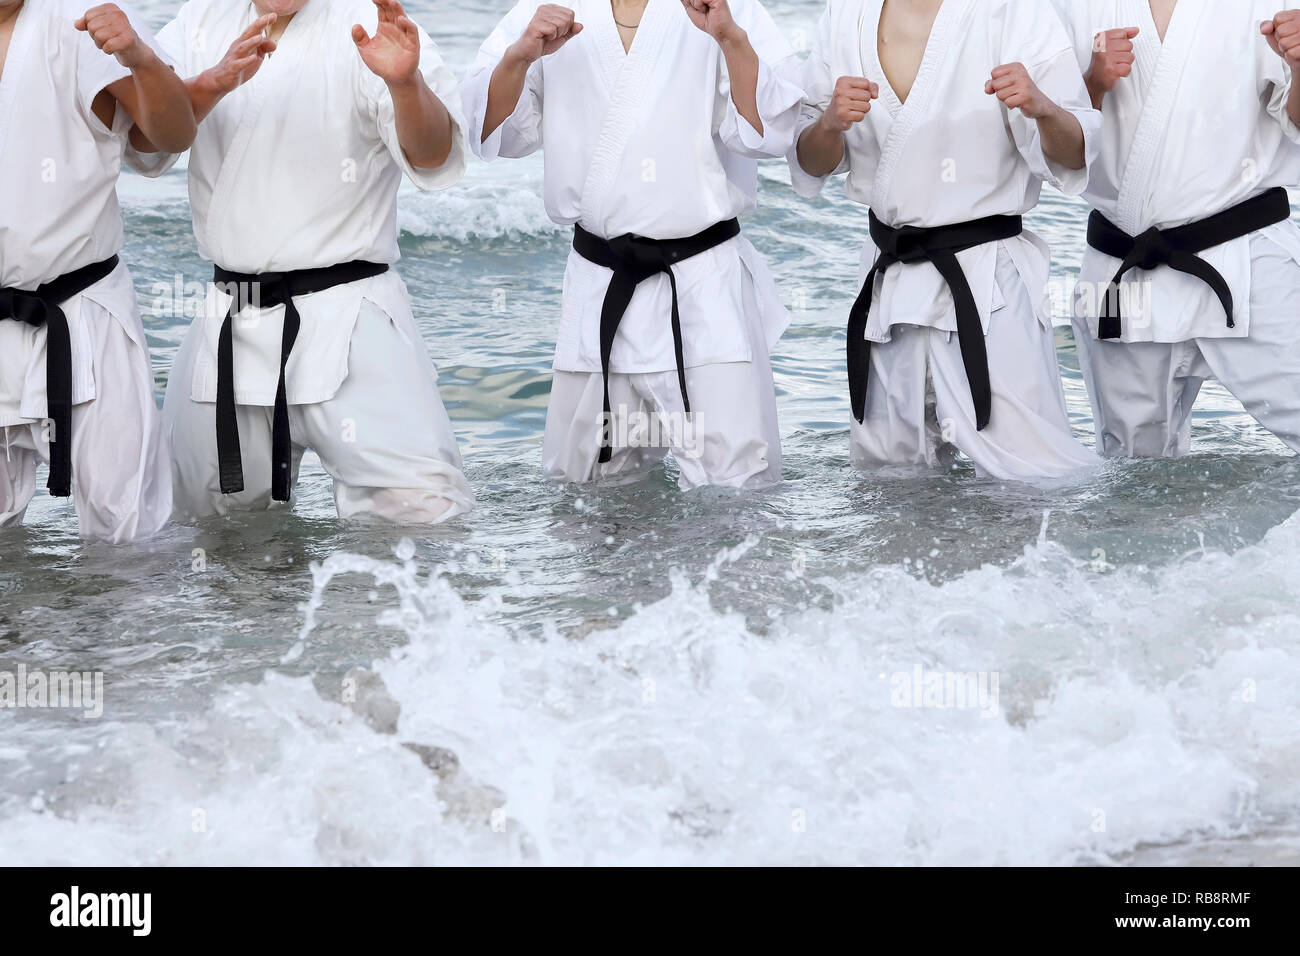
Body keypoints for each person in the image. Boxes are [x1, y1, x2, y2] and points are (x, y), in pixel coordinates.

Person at [132, 0, 474, 522]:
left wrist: (406, 85)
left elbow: (433, 157)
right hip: (230, 319)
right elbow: (147, 144)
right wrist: (211, 86)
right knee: (206, 529)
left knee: (424, 518)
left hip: (352, 318)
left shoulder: (366, 22)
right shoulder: (199, 20)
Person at [461, 1, 802, 489]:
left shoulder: (728, 8)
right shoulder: (549, 9)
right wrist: (520, 58)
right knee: (589, 499)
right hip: (598, 285)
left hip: (704, 288)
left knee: (738, 494)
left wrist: (730, 39)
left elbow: (771, 133)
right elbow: (486, 132)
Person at [790, 0, 1102, 481]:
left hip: (988, 282)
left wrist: (1042, 107)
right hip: (888, 288)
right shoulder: (844, 15)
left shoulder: (1013, 13)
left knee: (1032, 475)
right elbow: (813, 163)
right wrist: (830, 122)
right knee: (892, 482)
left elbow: (1076, 154)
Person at [1052, 0, 1300, 459]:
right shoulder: (1068, 6)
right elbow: (1047, 146)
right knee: (1134, 476)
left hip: (1248, 260)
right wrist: (1093, 83)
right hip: (1124, 269)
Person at [0, 1, 195, 542]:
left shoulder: (80, 20)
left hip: (82, 313)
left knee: (130, 540)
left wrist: (141, 60)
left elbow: (173, 135)